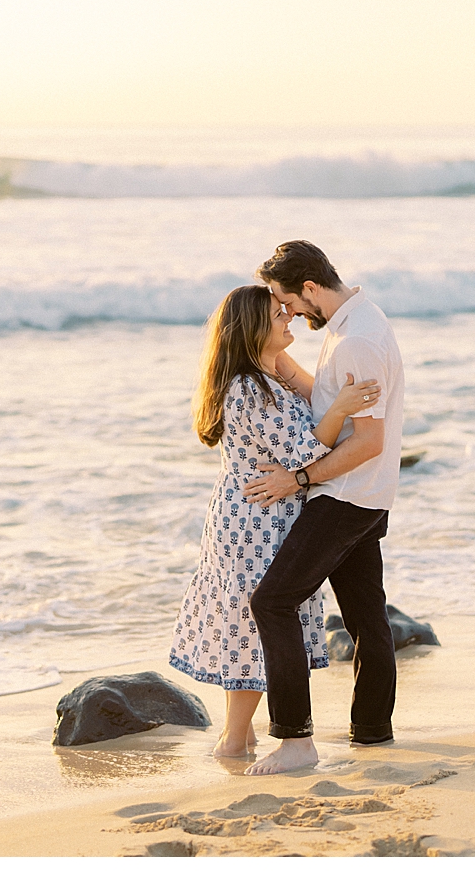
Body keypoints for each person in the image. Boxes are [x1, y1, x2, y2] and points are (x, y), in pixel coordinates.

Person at [169, 284, 382, 757]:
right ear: (252, 330)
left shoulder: (264, 378)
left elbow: (298, 438)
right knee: (253, 623)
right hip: (255, 520)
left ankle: (239, 733)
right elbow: (306, 449)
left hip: (256, 515)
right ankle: (233, 736)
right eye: (276, 315)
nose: (288, 318)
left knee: (249, 618)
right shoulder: (249, 388)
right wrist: (343, 408)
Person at [242, 240, 405, 776]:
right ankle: (373, 732)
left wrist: (298, 478)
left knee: (272, 602)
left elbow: (367, 441)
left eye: (288, 302)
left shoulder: (355, 339)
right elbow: (329, 400)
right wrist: (273, 360)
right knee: (365, 620)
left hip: (345, 496)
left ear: (311, 288)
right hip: (365, 496)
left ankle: (294, 739)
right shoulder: (353, 324)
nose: (287, 312)